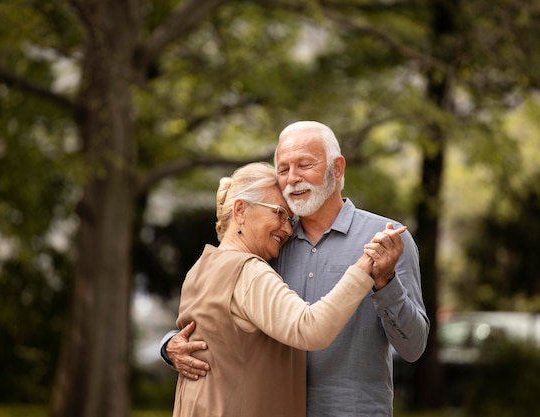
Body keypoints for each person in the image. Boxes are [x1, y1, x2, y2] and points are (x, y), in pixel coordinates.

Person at [161, 121, 429, 417]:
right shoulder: (269, 242)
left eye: (304, 165)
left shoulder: (386, 240)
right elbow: (218, 311)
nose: (292, 178)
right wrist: (170, 344)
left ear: (337, 169)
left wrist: (386, 282)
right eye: (283, 168)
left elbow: (414, 347)